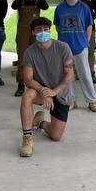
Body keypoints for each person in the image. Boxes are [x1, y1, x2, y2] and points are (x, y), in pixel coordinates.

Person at [19, 17, 75, 157]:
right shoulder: (29, 52)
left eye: (46, 29)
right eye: (39, 29)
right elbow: (27, 79)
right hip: (41, 89)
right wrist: (45, 92)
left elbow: (69, 76)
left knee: (56, 136)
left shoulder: (63, 47)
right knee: (27, 96)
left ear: (50, 30)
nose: (43, 32)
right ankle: (27, 138)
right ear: (33, 32)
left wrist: (53, 92)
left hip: (61, 92)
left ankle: (40, 122)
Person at [53, 0, 96, 112]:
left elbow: (89, 25)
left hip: (80, 46)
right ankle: (71, 100)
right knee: (68, 75)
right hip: (65, 48)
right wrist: (63, 36)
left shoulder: (83, 7)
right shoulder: (60, 8)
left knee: (85, 74)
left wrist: (86, 41)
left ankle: (92, 100)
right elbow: (57, 25)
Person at [11, 0, 48, 97]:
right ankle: (21, 85)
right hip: (22, 32)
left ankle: (36, 85)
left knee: (37, 58)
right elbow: (13, 6)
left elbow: (46, 6)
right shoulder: (21, 1)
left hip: (36, 32)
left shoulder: (38, 1)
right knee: (22, 58)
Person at [76, 0, 96, 83]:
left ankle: (91, 73)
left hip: (89, 29)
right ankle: (77, 72)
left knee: (90, 51)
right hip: (75, 30)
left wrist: (91, 19)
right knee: (76, 51)